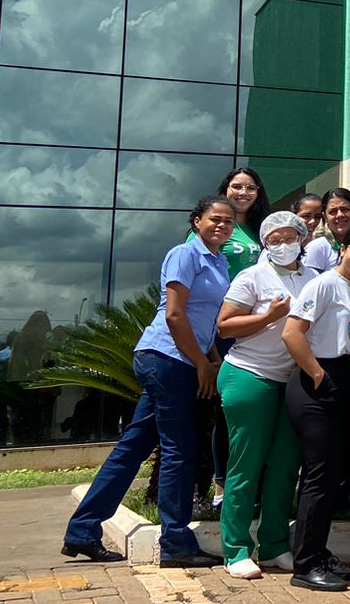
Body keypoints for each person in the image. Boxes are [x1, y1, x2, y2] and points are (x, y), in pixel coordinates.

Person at [61, 196, 234, 568]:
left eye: (229, 221)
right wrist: (201, 363)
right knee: (178, 449)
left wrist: (214, 358)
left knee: (134, 446)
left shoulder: (219, 261)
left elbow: (209, 318)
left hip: (183, 359)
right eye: (215, 219)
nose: (222, 225)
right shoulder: (184, 254)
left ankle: (83, 531)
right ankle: (175, 543)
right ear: (196, 220)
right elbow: (174, 314)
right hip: (167, 359)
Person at [214, 211, 315, 579]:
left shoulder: (314, 278)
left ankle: (274, 545)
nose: (283, 243)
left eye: (290, 236)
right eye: (275, 239)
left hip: (293, 382)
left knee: (285, 466)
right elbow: (225, 326)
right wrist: (269, 317)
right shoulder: (252, 275)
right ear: (265, 243)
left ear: (302, 239)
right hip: (250, 376)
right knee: (247, 463)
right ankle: (236, 548)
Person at [281, 223, 350, 591]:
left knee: (336, 473)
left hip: (345, 380)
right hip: (318, 383)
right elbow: (292, 333)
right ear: (342, 247)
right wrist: (318, 375)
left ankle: (319, 552)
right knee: (319, 476)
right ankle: (305, 564)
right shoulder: (322, 283)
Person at [194, 167, 268, 510]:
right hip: (221, 330)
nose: (243, 192)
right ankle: (220, 487)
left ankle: (252, 486)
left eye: (250, 187)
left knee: (249, 412)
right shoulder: (216, 228)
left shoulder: (259, 229)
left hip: (255, 329)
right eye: (236, 186)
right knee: (225, 412)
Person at [302, 188, 350, 272]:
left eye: (345, 209)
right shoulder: (318, 247)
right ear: (325, 216)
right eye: (333, 211)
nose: (340, 215)